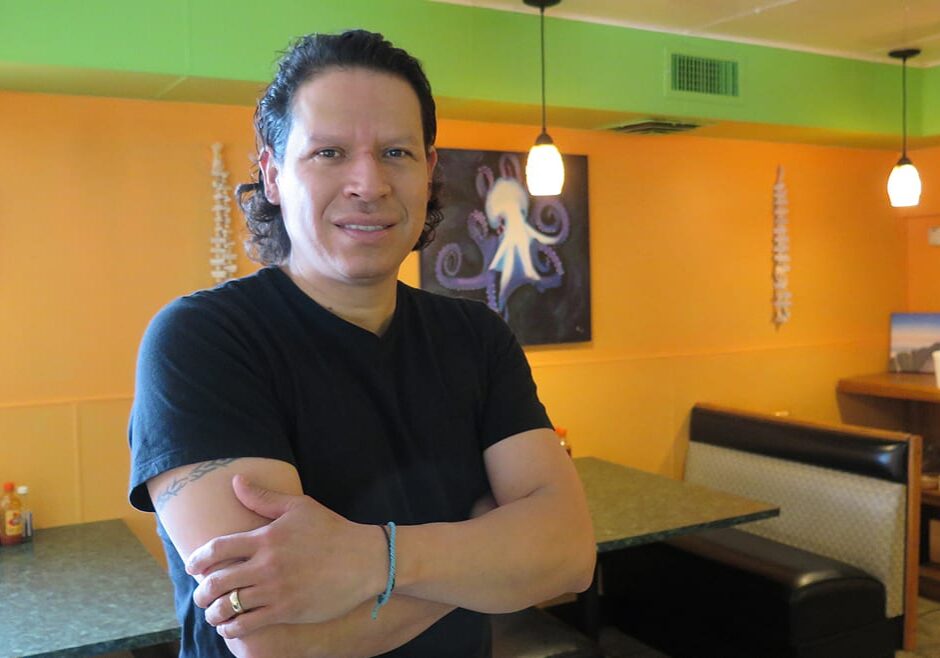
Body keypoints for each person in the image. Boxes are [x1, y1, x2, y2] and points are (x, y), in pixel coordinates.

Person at [128, 29, 595, 658]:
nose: (369, 183)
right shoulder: (204, 340)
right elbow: (277, 641)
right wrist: (489, 547)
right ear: (272, 174)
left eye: (397, 152)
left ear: (429, 171)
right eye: (329, 152)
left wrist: (373, 560)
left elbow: (569, 556)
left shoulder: (478, 337)